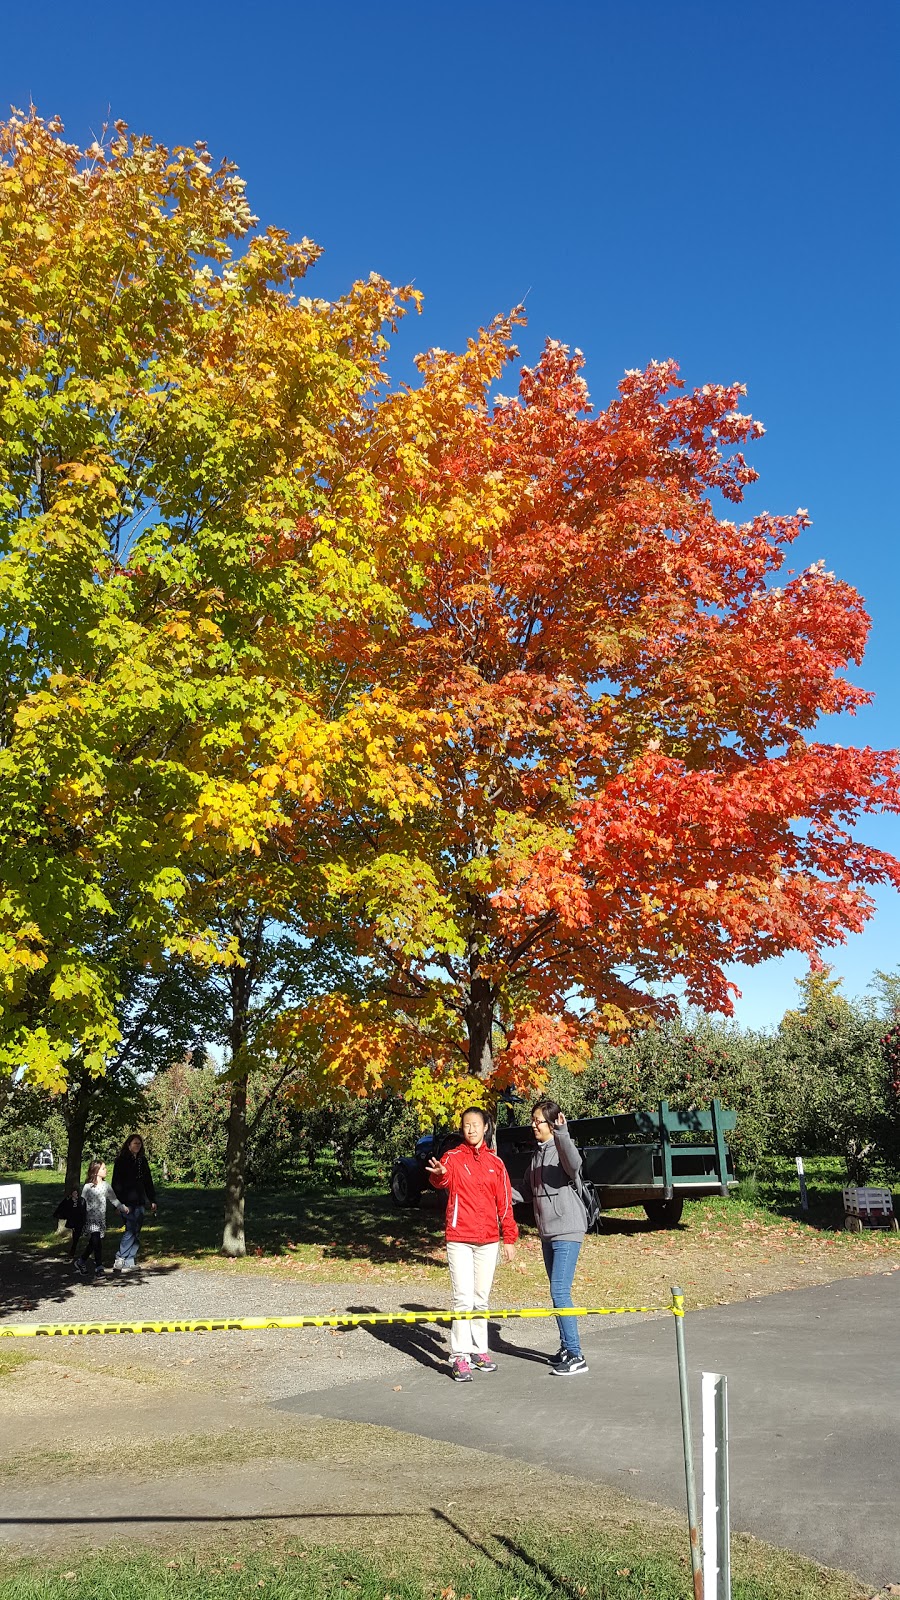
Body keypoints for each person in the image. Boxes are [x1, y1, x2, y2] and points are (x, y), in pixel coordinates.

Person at [426, 1106, 518, 1383]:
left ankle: (480, 1350)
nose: (472, 1129)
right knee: (463, 1299)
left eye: (476, 1124)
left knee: (481, 1299)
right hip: (460, 1240)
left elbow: (505, 1204)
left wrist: (509, 1238)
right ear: (462, 1129)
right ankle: (459, 1356)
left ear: (486, 1127)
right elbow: (440, 1179)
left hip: (489, 1240)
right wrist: (439, 1173)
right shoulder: (452, 1158)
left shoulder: (496, 1163)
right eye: (466, 1125)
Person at [524, 1098, 589, 1376]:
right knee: (557, 1292)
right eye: (533, 1120)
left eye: (538, 1120)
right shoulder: (537, 1154)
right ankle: (566, 1347)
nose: (534, 1125)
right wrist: (496, 1197)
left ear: (551, 1123)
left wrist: (563, 1133)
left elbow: (574, 1165)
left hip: (568, 1229)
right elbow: (526, 1191)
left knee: (560, 1291)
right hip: (547, 1233)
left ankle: (576, 1355)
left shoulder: (560, 1148)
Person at [74, 1161, 129, 1278]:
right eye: (103, 1168)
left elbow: (114, 1199)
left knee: (93, 1243)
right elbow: (82, 1202)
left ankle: (81, 1261)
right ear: (96, 1170)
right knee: (96, 1242)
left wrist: (122, 1207)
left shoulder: (106, 1185)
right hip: (90, 1220)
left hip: (100, 1220)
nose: (106, 1170)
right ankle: (99, 1267)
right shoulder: (87, 1187)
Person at [111, 1133, 157, 1273]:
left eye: (139, 1143)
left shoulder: (142, 1161)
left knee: (136, 1230)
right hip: (126, 1201)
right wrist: (118, 1204)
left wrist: (152, 1199)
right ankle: (120, 1257)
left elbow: (148, 1181)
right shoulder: (121, 1161)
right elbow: (116, 1183)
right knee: (130, 1228)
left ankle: (130, 1259)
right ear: (129, 1144)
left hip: (140, 1200)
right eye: (135, 1143)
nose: (137, 1145)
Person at [53, 1185, 86, 1260]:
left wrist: (84, 1220)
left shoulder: (81, 1201)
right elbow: (61, 1208)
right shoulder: (68, 1201)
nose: (76, 1195)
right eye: (74, 1194)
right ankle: (72, 1250)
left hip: (79, 1221)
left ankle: (73, 1250)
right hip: (72, 1221)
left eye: (76, 1193)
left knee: (77, 1235)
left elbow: (83, 1211)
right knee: (75, 1235)